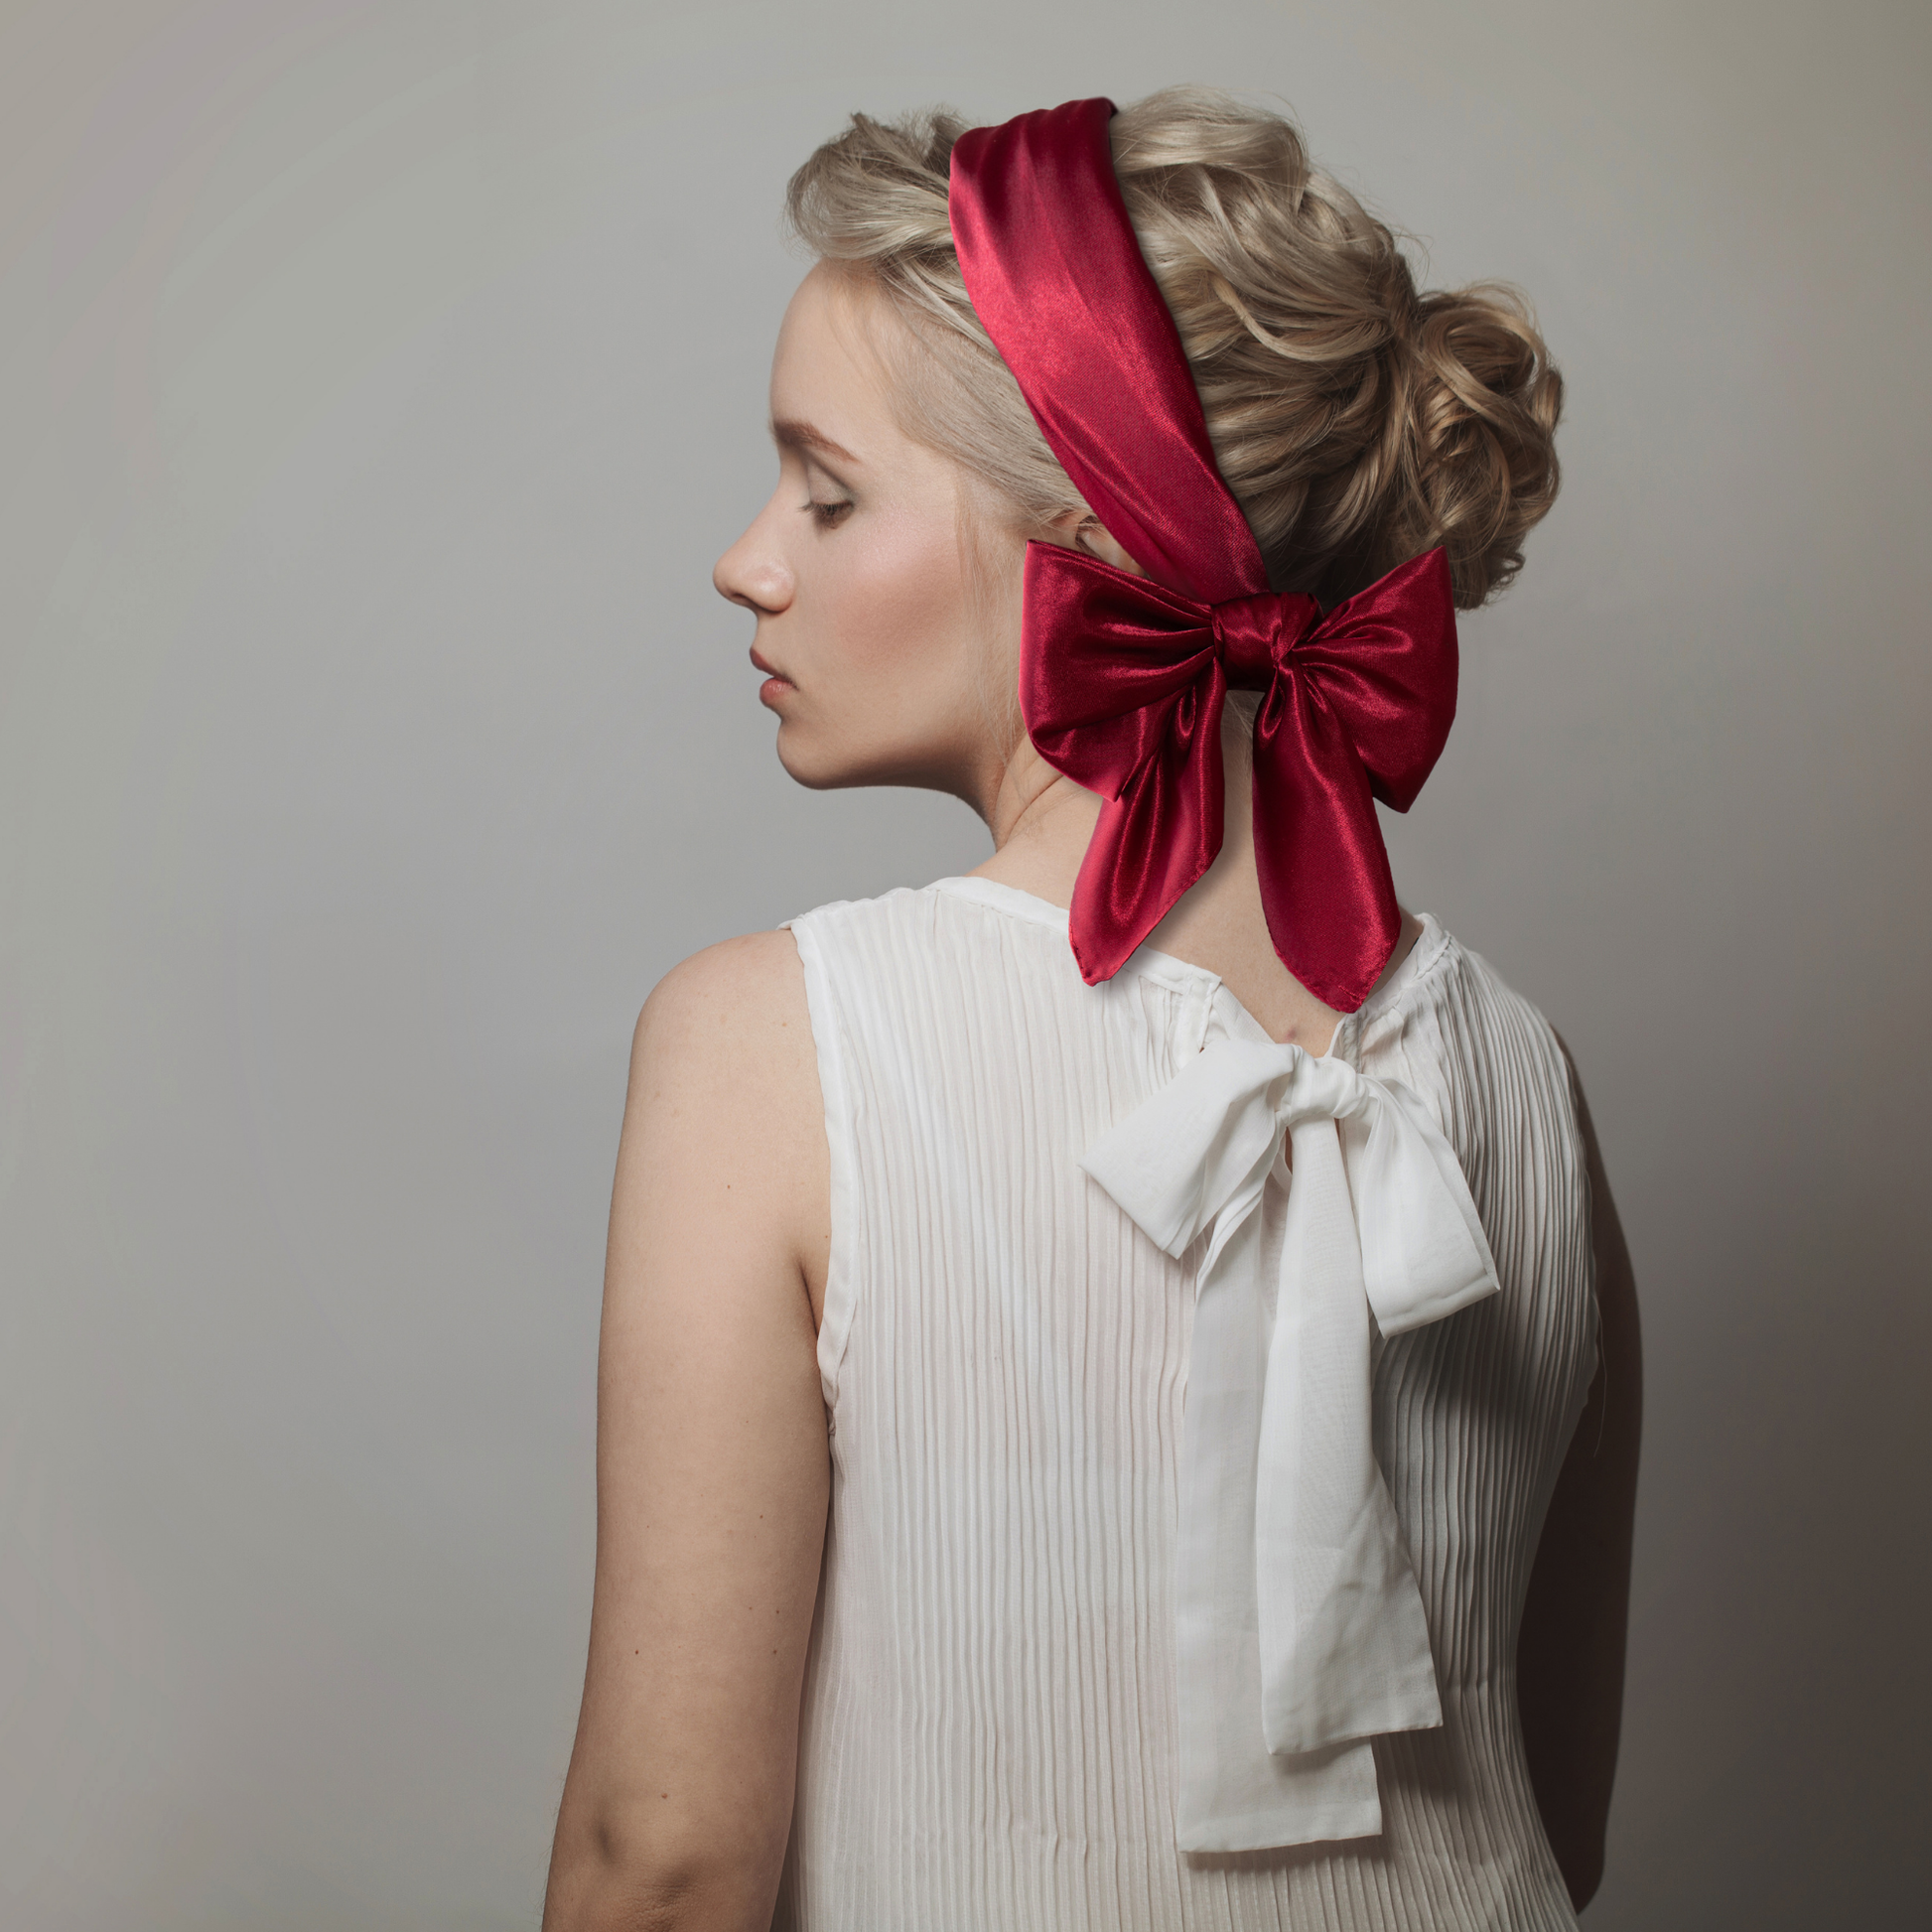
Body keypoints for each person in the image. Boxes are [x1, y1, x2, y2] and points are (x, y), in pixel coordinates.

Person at [541, 87, 1640, 1932]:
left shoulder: (769, 1044)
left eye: (828, 487)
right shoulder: (1521, 1073)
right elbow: (1555, 1816)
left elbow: (663, 1865)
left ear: (1084, 534)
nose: (752, 557)